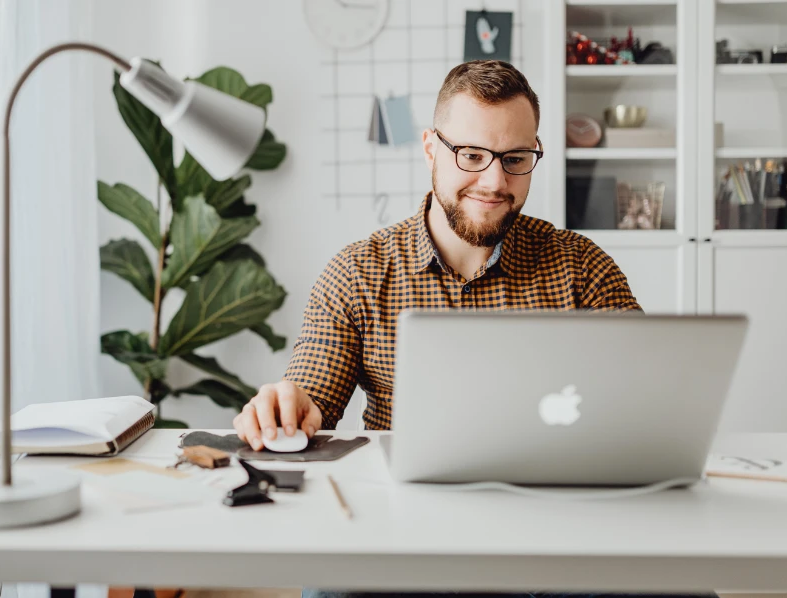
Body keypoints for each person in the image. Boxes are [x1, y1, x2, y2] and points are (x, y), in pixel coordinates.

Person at [233, 61, 710, 598]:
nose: (495, 181)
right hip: (406, 527)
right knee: (332, 587)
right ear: (431, 149)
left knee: (682, 589)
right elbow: (311, 396)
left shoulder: (582, 267)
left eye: (516, 159)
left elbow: (649, 404)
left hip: (562, 529)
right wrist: (288, 407)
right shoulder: (359, 272)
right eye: (471, 155)